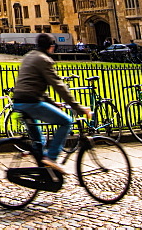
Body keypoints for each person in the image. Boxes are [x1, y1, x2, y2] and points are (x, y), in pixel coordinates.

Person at [12, 33, 92, 173]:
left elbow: (35, 85)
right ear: (51, 47)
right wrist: (79, 108)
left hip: (19, 102)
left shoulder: (29, 56)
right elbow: (59, 86)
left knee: (39, 141)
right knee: (66, 121)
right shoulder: (44, 59)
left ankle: (42, 168)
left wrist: (53, 103)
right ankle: (51, 158)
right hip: (31, 103)